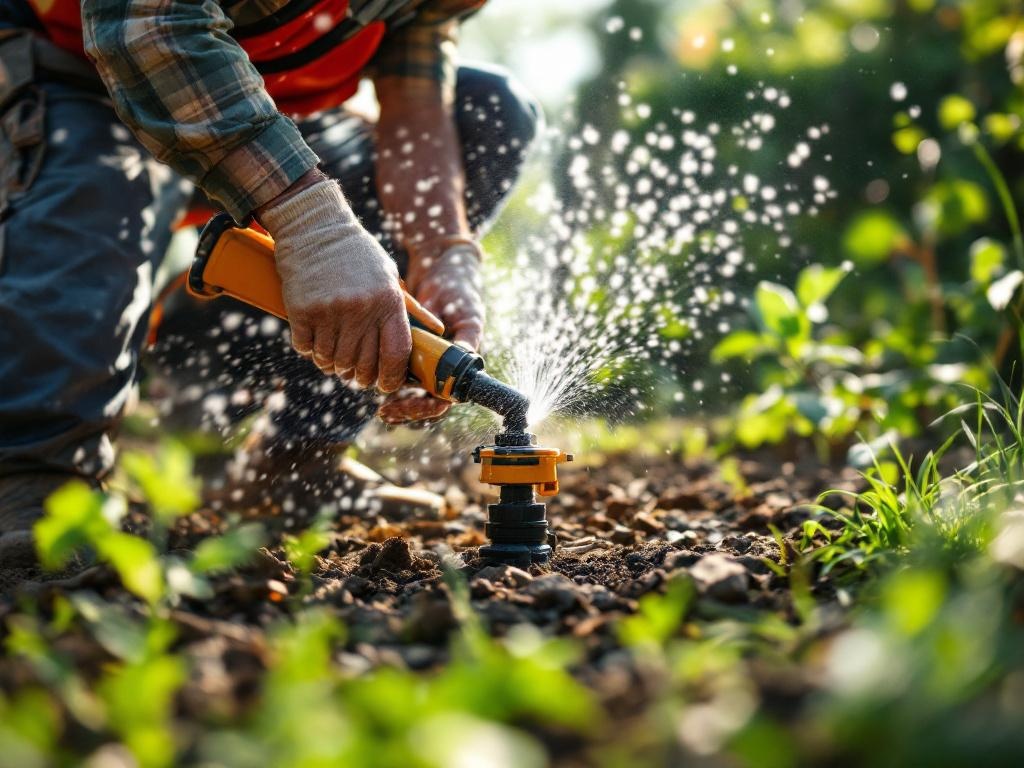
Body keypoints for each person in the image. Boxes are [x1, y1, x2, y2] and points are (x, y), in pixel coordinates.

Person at [0, 0, 541, 566]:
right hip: (79, 76)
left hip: (271, 113)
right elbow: (147, 27)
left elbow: (417, 82)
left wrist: (441, 250)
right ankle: (36, 481)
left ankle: (296, 457)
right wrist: (313, 225)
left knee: (488, 110)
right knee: (93, 201)